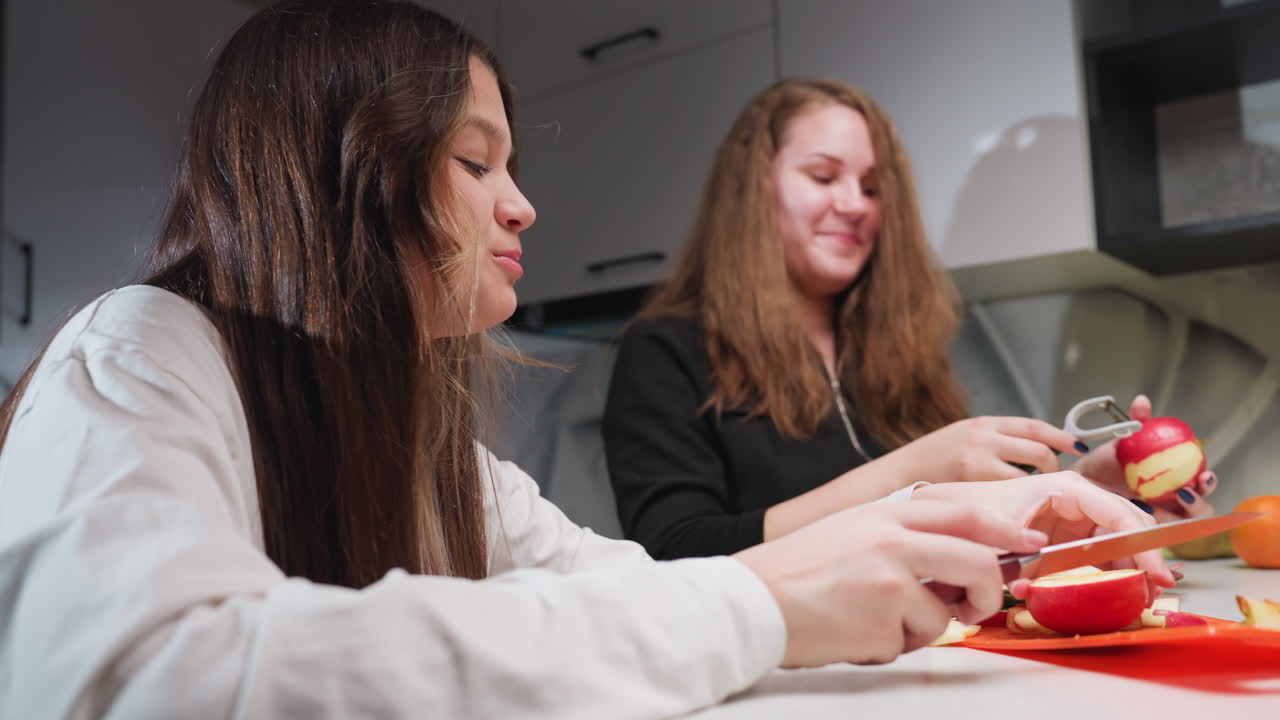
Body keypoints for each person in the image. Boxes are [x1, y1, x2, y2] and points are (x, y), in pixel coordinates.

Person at [0, 3, 1170, 718]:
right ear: (346, 169)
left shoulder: (439, 455)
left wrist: (946, 520)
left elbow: (617, 584)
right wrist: (761, 600)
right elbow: (137, 684)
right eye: (476, 161)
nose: (521, 205)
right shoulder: (145, 346)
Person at [603, 78, 1215, 561]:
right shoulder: (666, 350)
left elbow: (966, 541)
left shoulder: (899, 353)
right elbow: (673, 553)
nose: (854, 205)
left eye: (873, 187)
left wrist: (1083, 497)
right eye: (823, 176)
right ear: (750, 190)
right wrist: (909, 474)